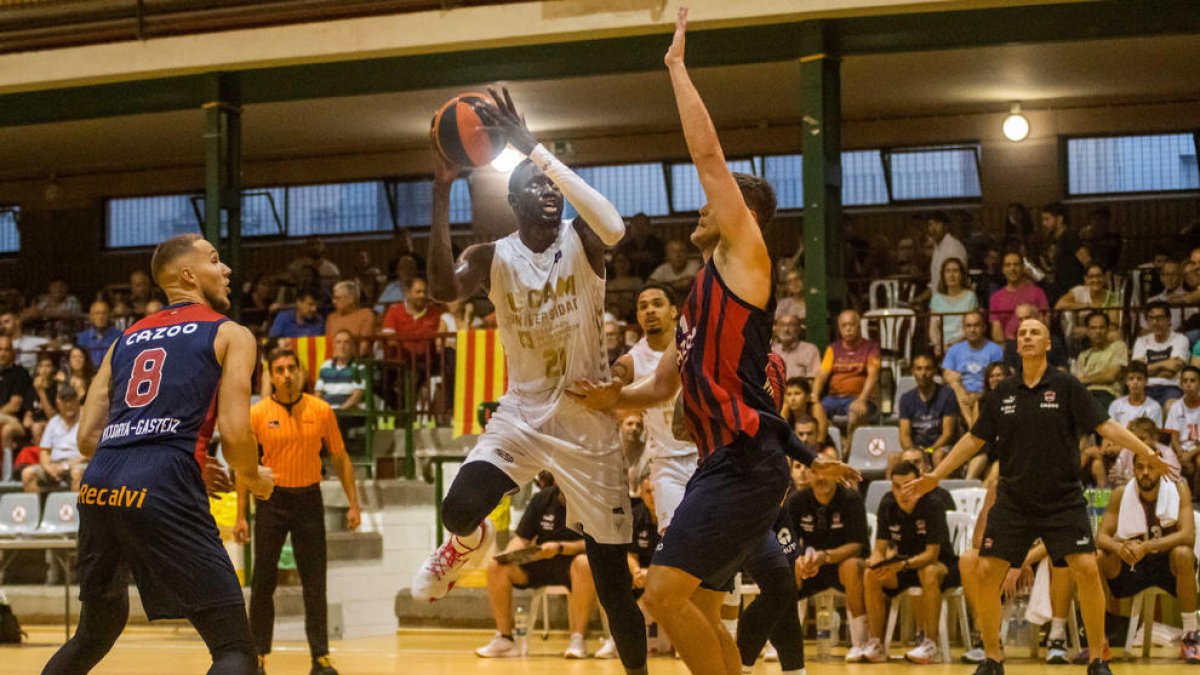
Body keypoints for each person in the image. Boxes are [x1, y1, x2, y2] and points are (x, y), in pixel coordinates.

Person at [570, 13, 855, 674]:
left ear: (740, 216)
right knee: (692, 602)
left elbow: (708, 158)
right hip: (721, 466)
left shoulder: (748, 257)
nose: (700, 211)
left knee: (664, 595)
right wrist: (611, 397)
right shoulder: (700, 292)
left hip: (747, 462)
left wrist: (676, 68)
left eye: (711, 206)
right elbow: (663, 385)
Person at [411, 86, 649, 675]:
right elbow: (442, 288)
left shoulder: (584, 241)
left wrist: (533, 150)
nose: (548, 193)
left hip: (588, 423)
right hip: (522, 414)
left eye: (552, 188)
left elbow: (615, 224)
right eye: (536, 188)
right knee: (459, 506)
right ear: (514, 202)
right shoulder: (492, 257)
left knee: (614, 580)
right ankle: (467, 547)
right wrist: (442, 191)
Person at [43, 233, 275, 674]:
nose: (226, 269)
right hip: (163, 481)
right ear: (188, 274)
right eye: (215, 260)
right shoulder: (231, 334)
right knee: (234, 649)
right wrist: (251, 476)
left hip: (102, 480)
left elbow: (88, 437)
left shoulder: (124, 339)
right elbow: (235, 430)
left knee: (94, 631)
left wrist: (167, 453)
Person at [905, 316, 1172, 675]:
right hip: (1014, 498)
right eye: (1023, 333)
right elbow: (974, 439)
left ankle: (1097, 659)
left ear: (1047, 344)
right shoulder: (1003, 393)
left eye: (1035, 333)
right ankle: (993, 658)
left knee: (1087, 567)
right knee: (985, 572)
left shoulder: (1066, 385)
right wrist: (936, 474)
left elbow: (1105, 425)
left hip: (1062, 498)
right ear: (1017, 345)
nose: (1028, 336)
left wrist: (1145, 451)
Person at [235, 348, 359, 675]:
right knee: (263, 582)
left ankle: (320, 657)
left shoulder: (320, 410)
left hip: (308, 499)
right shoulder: (258, 413)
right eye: (279, 369)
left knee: (314, 582)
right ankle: (258, 655)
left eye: (292, 368)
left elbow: (341, 458)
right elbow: (245, 468)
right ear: (271, 376)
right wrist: (239, 516)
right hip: (271, 502)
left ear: (302, 372)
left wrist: (354, 503)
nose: (287, 374)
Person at [475, 472, 594, 659]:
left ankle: (577, 639)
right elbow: (522, 538)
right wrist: (508, 555)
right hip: (541, 562)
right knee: (496, 566)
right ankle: (505, 638)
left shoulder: (590, 502)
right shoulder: (542, 499)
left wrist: (561, 548)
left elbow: (594, 544)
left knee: (585, 563)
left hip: (574, 565)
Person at [609, 283, 697, 532]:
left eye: (657, 304)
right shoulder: (630, 362)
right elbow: (606, 398)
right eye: (643, 307)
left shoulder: (697, 347)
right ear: (637, 317)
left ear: (673, 311)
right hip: (666, 462)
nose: (649, 310)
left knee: (714, 536)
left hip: (708, 455)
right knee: (674, 539)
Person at [1096, 450, 1197, 662]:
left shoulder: (1178, 489)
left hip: (1165, 564)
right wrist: (1118, 547)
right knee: (1098, 556)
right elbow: (1101, 537)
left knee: (1184, 553)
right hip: (1132, 565)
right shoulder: (1121, 494)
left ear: (1160, 468)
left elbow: (1188, 535)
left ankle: (1191, 636)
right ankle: (1100, 639)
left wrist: (1148, 546)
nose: (1145, 473)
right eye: (1140, 467)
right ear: (1133, 470)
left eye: (1151, 467)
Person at [862, 460, 960, 664]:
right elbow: (879, 550)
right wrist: (875, 564)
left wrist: (902, 565)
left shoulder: (933, 503)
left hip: (941, 566)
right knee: (870, 575)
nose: (902, 492)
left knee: (929, 571)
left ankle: (931, 645)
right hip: (903, 568)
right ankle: (876, 644)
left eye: (908, 485)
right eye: (897, 487)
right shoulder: (887, 503)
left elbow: (931, 554)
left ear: (918, 484)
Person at [779, 457, 870, 661]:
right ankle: (782, 641)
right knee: (787, 566)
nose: (821, 478)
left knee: (852, 566)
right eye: (816, 472)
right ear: (809, 475)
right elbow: (788, 541)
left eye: (827, 473)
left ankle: (860, 644)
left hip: (842, 564)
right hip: (812, 565)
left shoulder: (850, 499)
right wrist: (799, 560)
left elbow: (857, 545)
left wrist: (826, 557)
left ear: (836, 475)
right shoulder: (796, 500)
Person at [813, 309, 882, 444]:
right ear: (839, 328)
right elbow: (822, 375)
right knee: (815, 410)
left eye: (851, 325)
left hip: (859, 398)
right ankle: (841, 442)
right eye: (844, 326)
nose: (848, 329)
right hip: (833, 398)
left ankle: (849, 451)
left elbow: (873, 375)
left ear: (859, 325)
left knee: (856, 413)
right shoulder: (833, 349)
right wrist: (814, 396)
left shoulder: (871, 348)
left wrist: (862, 399)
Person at [896, 353, 960, 471]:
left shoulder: (947, 395)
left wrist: (930, 450)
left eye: (928, 368)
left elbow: (948, 434)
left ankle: (941, 488)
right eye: (919, 369)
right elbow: (904, 434)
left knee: (938, 456)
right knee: (893, 458)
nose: (923, 374)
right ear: (913, 371)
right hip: (917, 447)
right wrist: (913, 452)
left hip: (941, 446)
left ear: (935, 371)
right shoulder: (906, 398)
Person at [943, 311, 1004, 428]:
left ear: (984, 328)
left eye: (976, 325)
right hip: (961, 393)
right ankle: (972, 425)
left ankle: (972, 428)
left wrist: (977, 395)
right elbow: (947, 374)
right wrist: (953, 376)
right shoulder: (954, 350)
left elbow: (998, 376)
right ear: (964, 329)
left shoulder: (995, 350)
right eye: (968, 326)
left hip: (985, 392)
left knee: (978, 400)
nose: (972, 330)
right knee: (955, 384)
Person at [21, 384, 84, 493]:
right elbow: (44, 452)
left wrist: (66, 466)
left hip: (76, 464)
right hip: (54, 465)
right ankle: (39, 509)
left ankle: (74, 509)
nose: (68, 405)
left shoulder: (85, 422)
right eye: (65, 401)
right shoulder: (53, 422)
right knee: (27, 474)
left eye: (71, 400)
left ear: (77, 401)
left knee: (77, 473)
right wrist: (49, 468)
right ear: (59, 403)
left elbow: (89, 453)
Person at [1132, 300, 1189, 408]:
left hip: (1171, 388)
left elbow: (1172, 369)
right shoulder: (1141, 341)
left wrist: (1147, 369)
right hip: (1145, 388)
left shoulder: (1180, 339)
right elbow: (1137, 372)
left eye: (1160, 318)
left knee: (1171, 406)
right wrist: (1163, 365)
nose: (1155, 322)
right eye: (1151, 318)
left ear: (1169, 320)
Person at [1071, 311, 1128, 410]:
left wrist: (1085, 379)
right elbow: (1078, 383)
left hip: (1108, 394)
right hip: (1086, 395)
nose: (1098, 331)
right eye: (1093, 328)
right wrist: (1101, 375)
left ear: (1108, 329)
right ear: (1088, 332)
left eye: (1102, 327)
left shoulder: (1118, 347)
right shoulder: (1083, 355)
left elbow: (1111, 376)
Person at [989, 252, 1049, 344]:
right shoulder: (995, 298)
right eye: (1008, 265)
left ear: (1023, 268)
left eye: (1016, 264)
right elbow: (997, 332)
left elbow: (1044, 324)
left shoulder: (1038, 292)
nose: (1012, 268)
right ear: (1003, 270)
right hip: (1009, 349)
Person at [1054, 263, 1120, 338]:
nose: (1095, 280)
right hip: (1081, 336)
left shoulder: (1112, 297)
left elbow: (1113, 326)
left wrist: (1090, 331)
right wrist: (1086, 305)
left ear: (1104, 278)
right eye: (1091, 277)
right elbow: (1059, 305)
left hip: (1102, 334)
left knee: (1115, 335)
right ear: (1086, 279)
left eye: (1099, 276)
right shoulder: (1078, 292)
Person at [929, 257, 978, 356]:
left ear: (961, 275)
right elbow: (933, 328)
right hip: (941, 347)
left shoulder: (970, 296)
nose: (951, 275)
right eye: (948, 271)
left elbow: (971, 326)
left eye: (955, 271)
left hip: (964, 344)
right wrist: (938, 345)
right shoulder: (937, 298)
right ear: (943, 275)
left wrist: (952, 346)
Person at [1042, 202, 1088, 302]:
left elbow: (1087, 261)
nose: (1044, 224)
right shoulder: (1053, 239)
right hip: (1058, 290)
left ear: (1059, 219)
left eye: (1047, 219)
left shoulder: (1070, 237)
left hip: (1072, 289)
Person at [314, 330, 366, 410]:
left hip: (348, 412)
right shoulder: (325, 366)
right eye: (338, 342)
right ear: (334, 346)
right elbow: (318, 393)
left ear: (352, 346)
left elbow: (357, 394)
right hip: (327, 411)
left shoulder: (359, 367)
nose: (342, 346)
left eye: (346, 342)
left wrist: (340, 411)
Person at [324, 280, 375, 356]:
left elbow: (364, 346)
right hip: (334, 362)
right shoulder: (331, 317)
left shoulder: (366, 315)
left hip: (358, 361)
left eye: (337, 298)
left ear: (351, 299)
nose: (333, 302)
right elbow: (328, 345)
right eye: (333, 298)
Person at [1108, 361, 1162, 428]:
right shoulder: (1115, 405)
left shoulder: (1154, 407)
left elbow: (1154, 435)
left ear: (1146, 381)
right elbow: (1109, 433)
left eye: (1139, 378)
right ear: (1126, 382)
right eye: (1131, 378)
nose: (1135, 382)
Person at [782, 377, 830, 449]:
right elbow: (780, 436)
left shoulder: (815, 408)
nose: (792, 399)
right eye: (788, 394)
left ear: (808, 397)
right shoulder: (785, 409)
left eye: (797, 393)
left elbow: (820, 440)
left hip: (818, 448)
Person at [927, 212, 968, 296]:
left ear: (946, 227)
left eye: (937, 224)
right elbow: (935, 283)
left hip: (953, 300)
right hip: (939, 301)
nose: (933, 229)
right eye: (930, 225)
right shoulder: (937, 247)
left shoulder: (953, 247)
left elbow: (956, 281)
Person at [772, 313, 821, 379]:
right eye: (782, 325)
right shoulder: (771, 351)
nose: (786, 329)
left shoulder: (810, 350)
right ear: (776, 329)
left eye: (791, 325)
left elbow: (812, 379)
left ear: (799, 329)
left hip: (799, 389)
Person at [77, 300, 121, 367]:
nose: (100, 317)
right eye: (97, 313)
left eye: (104, 313)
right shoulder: (83, 337)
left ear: (109, 316)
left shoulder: (119, 336)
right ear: (91, 317)